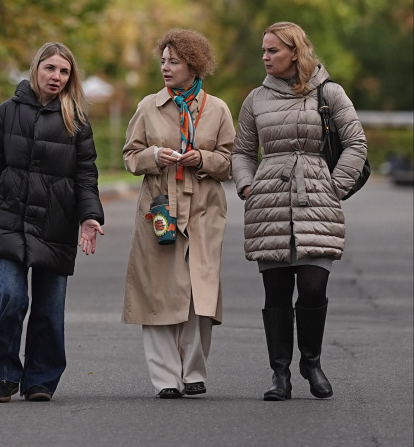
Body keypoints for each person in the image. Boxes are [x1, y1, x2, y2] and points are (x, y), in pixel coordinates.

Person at [232, 22, 367, 401]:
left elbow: (356, 143)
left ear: (295, 52)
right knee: (275, 291)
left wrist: (334, 185)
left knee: (312, 285)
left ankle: (312, 361)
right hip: (268, 202)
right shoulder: (255, 99)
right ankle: (280, 374)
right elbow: (241, 151)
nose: (265, 56)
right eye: (263, 49)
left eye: (272, 50)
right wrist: (246, 184)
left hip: (317, 199)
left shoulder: (329, 92)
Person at [0, 42, 105, 403]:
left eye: (64, 72)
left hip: (56, 223)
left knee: (49, 309)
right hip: (9, 219)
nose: (57, 77)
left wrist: (90, 216)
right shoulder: (6, 112)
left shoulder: (75, 118)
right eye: (50, 69)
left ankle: (40, 380)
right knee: (11, 296)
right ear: (36, 69)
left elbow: (85, 174)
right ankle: (4, 374)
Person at [121, 29, 235, 399]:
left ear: (193, 65)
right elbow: (130, 157)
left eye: (174, 61)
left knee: (197, 292)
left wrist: (203, 158)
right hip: (160, 209)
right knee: (158, 292)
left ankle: (194, 372)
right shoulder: (147, 107)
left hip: (203, 209)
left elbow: (230, 162)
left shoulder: (216, 109)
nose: (166, 68)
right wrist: (153, 157)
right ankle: (166, 379)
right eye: (163, 61)